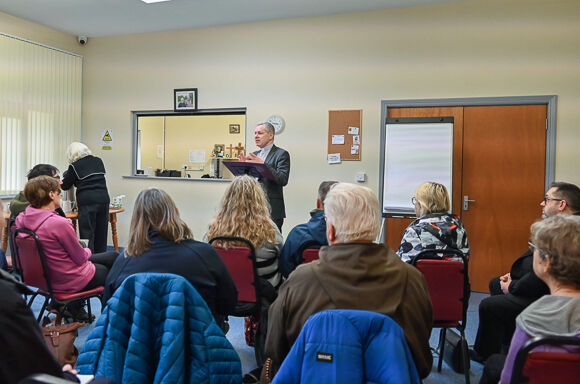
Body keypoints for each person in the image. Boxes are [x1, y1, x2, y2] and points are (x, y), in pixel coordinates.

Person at [263, 183, 433, 380]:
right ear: (374, 226)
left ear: (331, 231)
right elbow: (420, 362)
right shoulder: (412, 280)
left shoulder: (299, 282)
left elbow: (275, 352)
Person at [472, 181, 580, 362]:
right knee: (495, 284)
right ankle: (504, 345)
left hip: (547, 291)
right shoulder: (563, 226)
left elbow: (550, 273)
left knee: (490, 305)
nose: (542, 204)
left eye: (547, 199)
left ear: (562, 204)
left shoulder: (566, 232)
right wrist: (513, 277)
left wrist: (513, 285)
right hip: (543, 285)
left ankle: (491, 354)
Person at [104, 187, 237, 327]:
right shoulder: (205, 255)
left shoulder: (124, 261)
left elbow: (108, 313)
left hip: (141, 345)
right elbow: (229, 304)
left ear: (136, 221)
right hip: (195, 343)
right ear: (176, 212)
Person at [481, 214, 580, 384]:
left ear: (546, 263)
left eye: (534, 248)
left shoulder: (532, 319)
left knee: (494, 364)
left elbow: (508, 379)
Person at [15, 176, 117, 320]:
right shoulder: (58, 223)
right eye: (59, 193)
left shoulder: (21, 219)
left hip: (45, 278)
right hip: (68, 279)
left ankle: (72, 307)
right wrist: (87, 249)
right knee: (113, 269)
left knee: (113, 256)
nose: (60, 196)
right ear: (51, 195)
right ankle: (112, 318)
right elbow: (80, 257)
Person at [207, 175, 283, 290]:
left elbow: (207, 258)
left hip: (225, 297)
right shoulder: (270, 229)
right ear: (259, 199)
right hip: (265, 298)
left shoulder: (213, 229)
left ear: (228, 198)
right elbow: (283, 258)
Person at [397, 181, 469, 263]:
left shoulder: (415, 231)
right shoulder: (459, 228)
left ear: (421, 205)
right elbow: (465, 259)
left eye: (416, 201)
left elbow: (404, 266)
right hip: (453, 276)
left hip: (423, 276)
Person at [279, 180, 337, 278]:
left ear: (318, 203)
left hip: (301, 290)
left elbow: (285, 269)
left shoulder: (297, 233)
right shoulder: (351, 239)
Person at [238, 121, 290, 232]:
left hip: (272, 209)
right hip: (252, 208)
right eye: (255, 133)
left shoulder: (281, 154)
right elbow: (249, 181)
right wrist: (243, 168)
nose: (256, 136)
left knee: (272, 243)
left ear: (271, 135)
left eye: (260, 133)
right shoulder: (254, 154)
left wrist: (263, 165)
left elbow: (282, 179)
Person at [61, 142, 110, 253]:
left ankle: (89, 259)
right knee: (101, 232)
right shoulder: (98, 160)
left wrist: (61, 179)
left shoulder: (74, 166)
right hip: (103, 199)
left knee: (87, 232)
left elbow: (65, 185)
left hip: (87, 201)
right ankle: (101, 257)